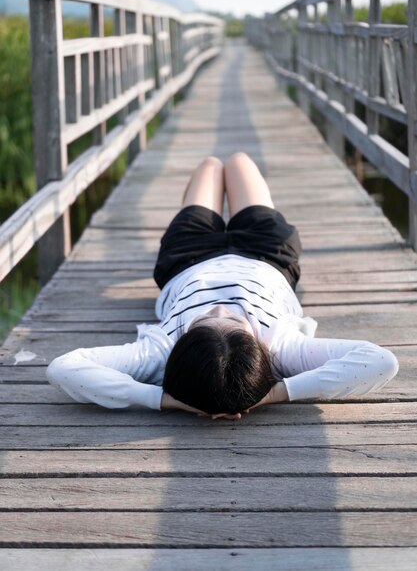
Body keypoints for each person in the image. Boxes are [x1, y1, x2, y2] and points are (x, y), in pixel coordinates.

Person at [46, 152, 399, 420]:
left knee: (211, 166)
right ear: (257, 346)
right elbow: (381, 361)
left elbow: (64, 367)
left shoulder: (161, 352)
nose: (220, 305)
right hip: (266, 254)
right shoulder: (281, 348)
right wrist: (277, 393)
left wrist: (163, 400)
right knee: (240, 162)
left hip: (188, 257)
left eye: (204, 320)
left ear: (183, 346)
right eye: (231, 319)